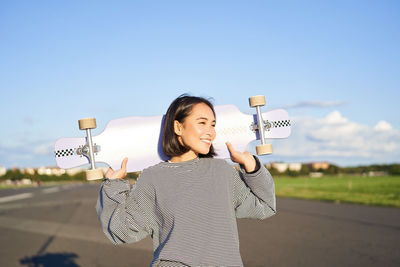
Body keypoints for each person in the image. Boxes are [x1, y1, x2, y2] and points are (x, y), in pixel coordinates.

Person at [96, 95, 276, 267]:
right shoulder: (153, 178)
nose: (211, 132)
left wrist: (252, 166)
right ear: (178, 127)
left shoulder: (222, 172)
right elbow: (122, 231)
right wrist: (113, 186)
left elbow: (264, 206)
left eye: (213, 124)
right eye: (202, 123)